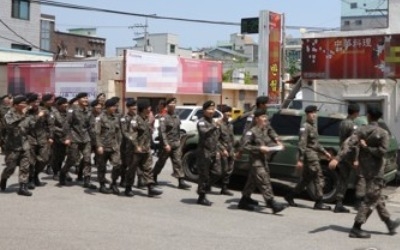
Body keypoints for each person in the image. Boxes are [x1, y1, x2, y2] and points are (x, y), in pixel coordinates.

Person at [344, 105, 400, 238]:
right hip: (376, 172)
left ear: (368, 116)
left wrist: (340, 157)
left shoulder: (361, 130)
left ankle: (388, 223)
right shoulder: (383, 133)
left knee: (377, 197)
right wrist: (368, 148)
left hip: (367, 171)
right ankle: (356, 228)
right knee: (370, 199)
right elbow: (382, 151)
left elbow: (349, 143)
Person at [285, 105, 332, 210]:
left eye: (315, 113)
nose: (314, 115)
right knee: (318, 176)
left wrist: (325, 152)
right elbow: (302, 144)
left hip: (313, 154)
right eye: (312, 113)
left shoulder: (313, 126)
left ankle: (290, 196)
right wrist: (300, 159)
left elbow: (316, 143)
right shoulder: (305, 126)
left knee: (306, 179)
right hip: (310, 155)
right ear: (307, 114)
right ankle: (319, 202)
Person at [240, 109, 286, 214]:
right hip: (256, 161)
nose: (265, 119)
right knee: (264, 180)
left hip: (263, 159)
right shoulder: (252, 131)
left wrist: (278, 145)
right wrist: (259, 148)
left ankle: (244, 200)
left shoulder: (264, 129)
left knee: (252, 181)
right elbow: (245, 145)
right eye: (263, 117)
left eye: (266, 116)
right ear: (256, 119)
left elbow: (270, 137)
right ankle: (272, 203)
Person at [237, 96, 271, 209]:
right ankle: (270, 201)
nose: (268, 105)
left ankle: (245, 198)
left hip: (262, 150)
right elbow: (246, 133)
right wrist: (241, 149)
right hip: (254, 150)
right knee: (260, 175)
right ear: (261, 104)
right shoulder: (252, 116)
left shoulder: (264, 115)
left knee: (253, 177)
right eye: (266, 104)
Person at [124, 99, 162, 197]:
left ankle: (150, 188)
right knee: (132, 169)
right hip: (135, 150)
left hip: (146, 149)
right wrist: (137, 146)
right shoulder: (135, 120)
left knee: (147, 168)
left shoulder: (146, 119)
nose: (150, 109)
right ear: (144, 109)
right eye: (148, 107)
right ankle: (128, 188)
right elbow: (132, 135)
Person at [60, 92, 97, 189]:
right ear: (78, 100)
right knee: (71, 159)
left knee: (87, 159)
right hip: (74, 138)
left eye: (86, 98)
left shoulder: (89, 110)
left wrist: (95, 141)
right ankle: (63, 173)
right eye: (84, 98)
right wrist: (67, 138)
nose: (86, 100)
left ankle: (87, 180)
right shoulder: (72, 110)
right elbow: (66, 125)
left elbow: (91, 127)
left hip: (86, 139)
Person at [153, 97, 191, 189]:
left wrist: (179, 140)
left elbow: (178, 130)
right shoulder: (163, 118)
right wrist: (166, 144)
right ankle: (153, 176)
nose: (173, 105)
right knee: (161, 162)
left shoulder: (177, 116)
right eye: (171, 104)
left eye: (174, 104)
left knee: (178, 162)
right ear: (167, 106)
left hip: (176, 144)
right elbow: (162, 132)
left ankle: (181, 181)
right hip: (166, 145)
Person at [0, 95, 32, 196]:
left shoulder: (27, 114)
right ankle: (4, 178)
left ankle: (23, 187)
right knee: (11, 167)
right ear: (16, 105)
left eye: (26, 103)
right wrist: (22, 115)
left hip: (25, 144)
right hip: (12, 146)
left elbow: (31, 126)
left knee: (25, 167)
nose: (25, 105)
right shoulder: (9, 114)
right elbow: (10, 125)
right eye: (23, 103)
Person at [331, 102, 360, 213]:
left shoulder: (342, 123)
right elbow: (354, 143)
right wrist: (356, 159)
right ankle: (358, 203)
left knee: (343, 179)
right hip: (349, 155)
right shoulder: (352, 125)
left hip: (342, 153)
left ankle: (339, 203)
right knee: (359, 178)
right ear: (356, 112)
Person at [196, 100, 222, 206]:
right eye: (209, 109)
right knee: (204, 175)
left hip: (213, 151)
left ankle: (204, 188)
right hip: (204, 152)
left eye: (213, 109)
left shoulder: (213, 122)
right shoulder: (201, 122)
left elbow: (217, 138)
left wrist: (218, 150)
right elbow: (204, 132)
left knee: (218, 172)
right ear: (204, 110)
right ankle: (201, 197)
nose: (211, 111)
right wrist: (214, 126)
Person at [95, 98, 122, 195]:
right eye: (113, 106)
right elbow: (97, 133)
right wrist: (99, 146)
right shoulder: (100, 118)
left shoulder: (116, 117)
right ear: (107, 107)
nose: (115, 108)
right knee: (102, 167)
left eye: (116, 106)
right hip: (103, 146)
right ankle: (102, 185)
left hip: (114, 146)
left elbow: (118, 132)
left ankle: (114, 183)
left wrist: (119, 144)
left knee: (118, 165)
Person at [217, 105, 235, 196]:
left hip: (230, 150)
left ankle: (224, 188)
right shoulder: (219, 124)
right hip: (222, 150)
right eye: (226, 112)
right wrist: (222, 149)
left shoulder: (230, 125)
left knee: (229, 170)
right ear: (223, 113)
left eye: (229, 112)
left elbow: (232, 138)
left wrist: (233, 150)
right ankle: (207, 184)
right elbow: (216, 139)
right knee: (222, 170)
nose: (228, 113)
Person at [51, 97, 69, 180]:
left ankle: (63, 171)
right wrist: (61, 131)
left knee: (63, 156)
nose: (66, 105)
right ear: (59, 105)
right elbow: (51, 126)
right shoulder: (54, 113)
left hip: (67, 138)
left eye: (66, 103)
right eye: (64, 104)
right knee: (56, 156)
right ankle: (56, 172)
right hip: (56, 138)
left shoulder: (68, 113)